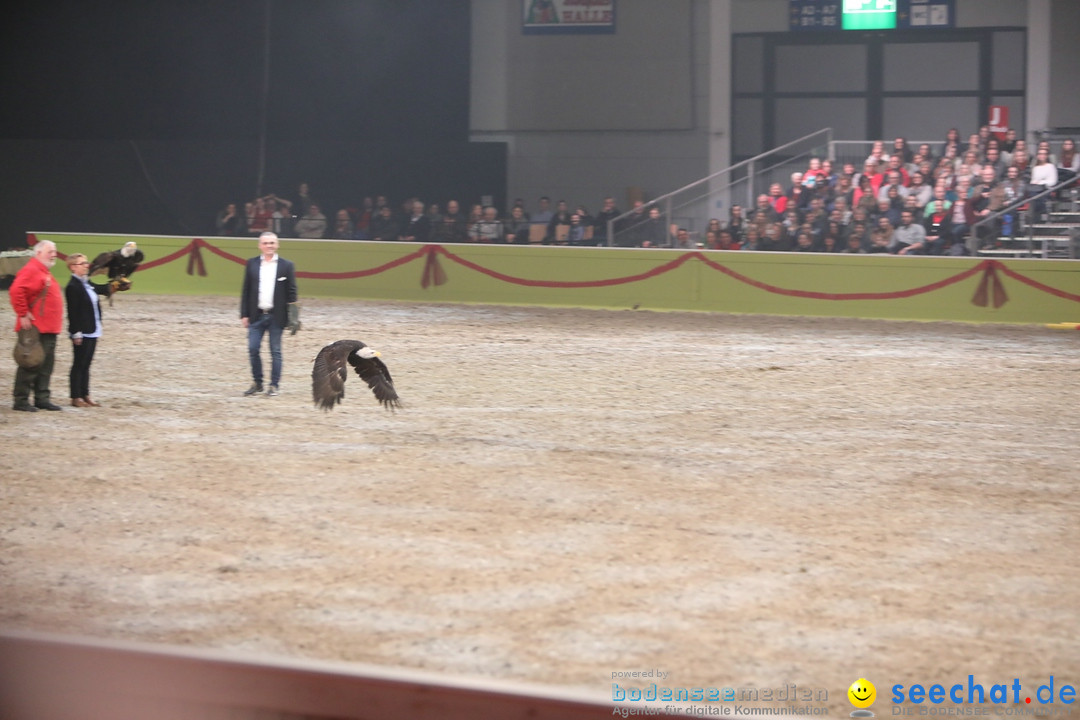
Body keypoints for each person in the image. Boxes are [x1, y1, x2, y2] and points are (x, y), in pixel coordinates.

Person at [240, 232, 298, 397]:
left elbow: (292, 292)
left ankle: (274, 385)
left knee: (275, 351)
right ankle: (257, 383)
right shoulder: (251, 264)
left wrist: (293, 317)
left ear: (277, 245)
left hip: (276, 317)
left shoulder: (287, 265)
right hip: (256, 316)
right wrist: (244, 314)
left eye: (272, 243)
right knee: (253, 348)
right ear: (260, 245)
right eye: (265, 243)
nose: (269, 246)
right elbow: (246, 291)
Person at [9, 240, 64, 411]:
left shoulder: (42, 270)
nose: (54, 254)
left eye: (55, 251)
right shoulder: (31, 269)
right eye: (50, 251)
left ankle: (42, 398)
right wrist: (23, 312)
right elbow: (16, 290)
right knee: (30, 363)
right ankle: (21, 400)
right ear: (38, 252)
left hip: (48, 328)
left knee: (46, 365)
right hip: (35, 328)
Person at [64, 253, 113, 407]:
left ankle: (85, 394)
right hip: (82, 331)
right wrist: (76, 332)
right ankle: (75, 396)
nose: (86, 265)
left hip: (93, 328)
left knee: (87, 364)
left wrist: (115, 285)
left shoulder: (87, 283)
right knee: (78, 364)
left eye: (86, 263)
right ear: (73, 267)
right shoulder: (72, 287)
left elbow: (101, 288)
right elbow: (73, 312)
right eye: (82, 263)